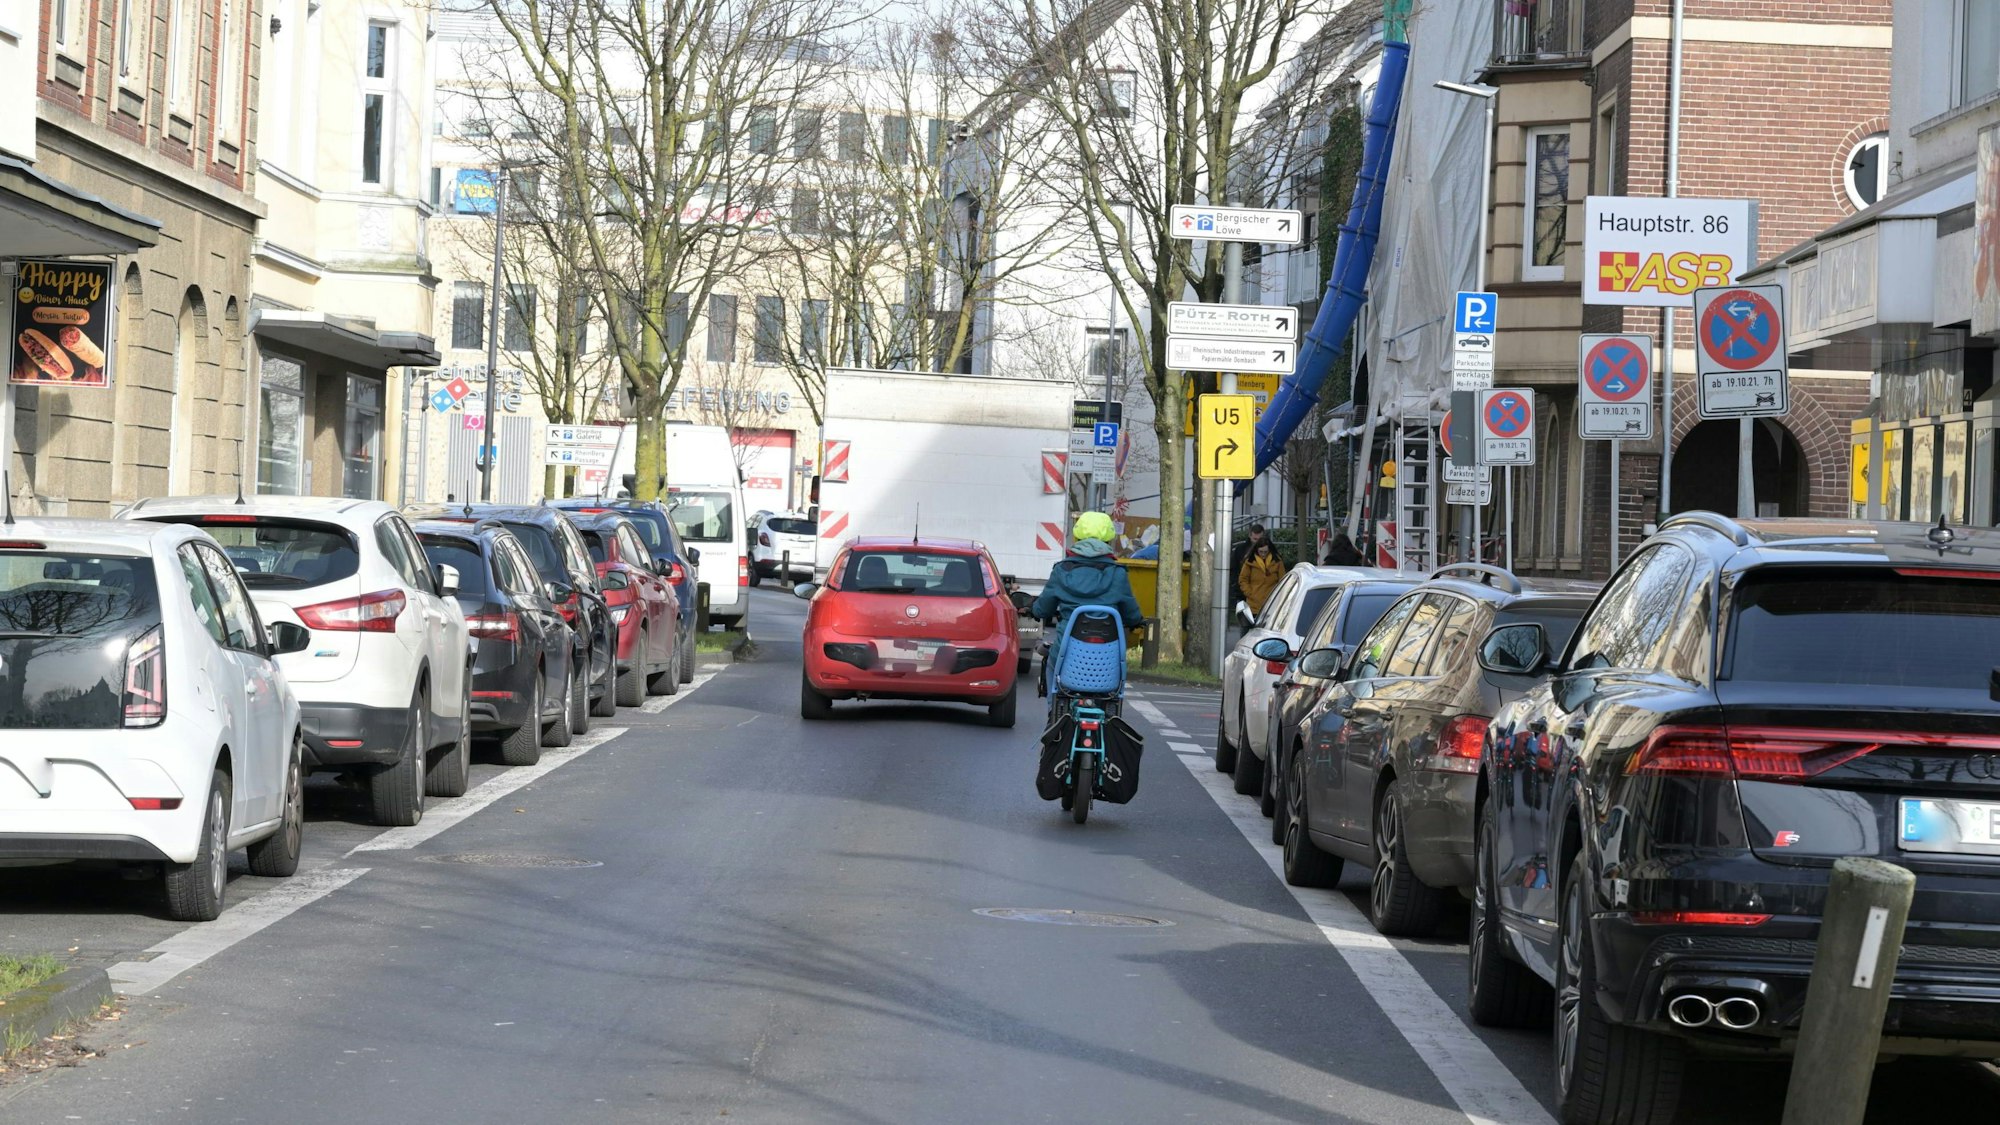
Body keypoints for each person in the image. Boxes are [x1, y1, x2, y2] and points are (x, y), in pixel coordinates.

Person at [1033, 512, 1146, 696]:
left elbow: (1043, 609)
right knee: (1114, 690)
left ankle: (1053, 714)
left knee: (1051, 668)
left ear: (1077, 537)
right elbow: (1131, 613)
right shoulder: (1117, 573)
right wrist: (1137, 621)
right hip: (1106, 658)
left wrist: (1034, 610)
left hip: (1067, 651)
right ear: (1109, 539)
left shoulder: (1061, 570)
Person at [1239, 539, 1285, 618]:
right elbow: (1243, 579)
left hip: (1271, 603)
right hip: (1254, 605)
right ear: (1257, 550)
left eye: (1265, 552)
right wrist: (1250, 593)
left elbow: (1282, 580)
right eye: (1261, 552)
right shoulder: (1249, 562)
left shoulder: (1277, 562)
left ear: (1269, 550)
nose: (1263, 554)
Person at [1228, 522, 1270, 604]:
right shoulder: (1240, 550)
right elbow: (1234, 569)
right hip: (1243, 592)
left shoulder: (1270, 551)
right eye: (1255, 539)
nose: (1257, 542)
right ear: (1250, 536)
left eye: (1259, 539)